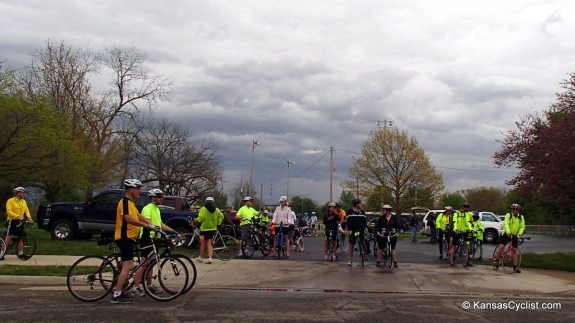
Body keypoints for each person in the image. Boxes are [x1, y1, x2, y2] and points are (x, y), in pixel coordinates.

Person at [111, 179, 158, 304]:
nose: (139, 191)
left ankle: (120, 288)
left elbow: (138, 216)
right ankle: (116, 295)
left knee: (128, 264)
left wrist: (151, 224)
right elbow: (129, 218)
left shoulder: (131, 203)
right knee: (128, 265)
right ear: (130, 190)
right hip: (124, 237)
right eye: (137, 188)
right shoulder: (125, 202)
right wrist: (146, 226)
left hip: (130, 237)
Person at [131, 189, 179, 297]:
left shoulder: (156, 209)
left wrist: (172, 231)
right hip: (147, 237)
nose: (162, 198)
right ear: (153, 198)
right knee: (143, 264)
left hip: (155, 238)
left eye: (162, 196)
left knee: (152, 263)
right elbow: (148, 222)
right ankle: (136, 287)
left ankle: (149, 285)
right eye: (159, 196)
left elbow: (160, 224)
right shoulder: (147, 208)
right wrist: (162, 233)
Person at [2, 187, 34, 261]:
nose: (23, 194)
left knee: (20, 238)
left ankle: (21, 254)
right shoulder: (11, 201)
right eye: (22, 193)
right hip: (13, 221)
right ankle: (1, 253)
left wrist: (29, 217)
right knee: (8, 238)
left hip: (21, 221)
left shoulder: (23, 201)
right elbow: (9, 211)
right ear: (18, 193)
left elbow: (27, 210)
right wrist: (17, 216)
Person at [493, 203, 526, 273]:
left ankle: (515, 267)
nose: (514, 210)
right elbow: (506, 223)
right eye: (513, 209)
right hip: (506, 233)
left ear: (518, 210)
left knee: (514, 251)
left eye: (515, 209)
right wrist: (508, 232)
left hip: (514, 235)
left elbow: (522, 226)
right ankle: (496, 260)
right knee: (501, 247)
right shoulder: (509, 215)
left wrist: (519, 234)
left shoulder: (521, 217)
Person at [193, 197, 224, 264]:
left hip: (203, 230)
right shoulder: (217, 210)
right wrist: (218, 223)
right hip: (212, 229)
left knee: (203, 244)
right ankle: (210, 258)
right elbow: (222, 216)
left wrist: (196, 220)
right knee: (209, 244)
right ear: (213, 202)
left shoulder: (203, 209)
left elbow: (201, 217)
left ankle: (201, 258)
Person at [346, 198, 368, 266]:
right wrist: (349, 229)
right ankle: (350, 259)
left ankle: (365, 254)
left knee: (363, 242)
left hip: (360, 230)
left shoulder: (362, 212)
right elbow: (348, 222)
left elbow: (364, 221)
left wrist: (365, 228)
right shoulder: (350, 212)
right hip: (353, 230)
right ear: (356, 204)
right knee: (351, 244)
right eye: (360, 203)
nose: (361, 205)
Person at [449, 202, 472, 266]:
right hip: (456, 231)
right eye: (461, 208)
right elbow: (455, 222)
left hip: (463, 231)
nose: (462, 209)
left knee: (466, 243)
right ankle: (451, 259)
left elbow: (467, 222)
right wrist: (456, 229)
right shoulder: (456, 214)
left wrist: (470, 229)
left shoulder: (466, 215)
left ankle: (467, 259)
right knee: (454, 245)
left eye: (463, 208)